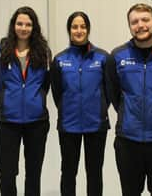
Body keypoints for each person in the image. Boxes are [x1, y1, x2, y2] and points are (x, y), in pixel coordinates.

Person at [105, 3, 152, 196]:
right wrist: (126, 113)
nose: (140, 25)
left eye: (145, 20)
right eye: (135, 22)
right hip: (128, 142)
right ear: (130, 26)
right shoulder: (118, 56)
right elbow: (113, 93)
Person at [50, 11, 110, 196]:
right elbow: (57, 92)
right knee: (68, 172)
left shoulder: (102, 57)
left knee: (94, 173)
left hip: (96, 125)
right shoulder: (60, 60)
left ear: (88, 29)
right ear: (69, 30)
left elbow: (109, 91)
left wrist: (98, 109)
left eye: (83, 26)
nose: (79, 30)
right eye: (75, 27)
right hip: (69, 125)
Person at [0, 6, 52, 196]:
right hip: (8, 121)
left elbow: (46, 83)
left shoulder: (43, 51)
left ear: (34, 27)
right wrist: (4, 102)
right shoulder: (1, 50)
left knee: (33, 173)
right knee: (7, 172)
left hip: (37, 122)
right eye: (20, 23)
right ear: (13, 25)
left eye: (28, 24)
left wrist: (38, 100)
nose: (24, 28)